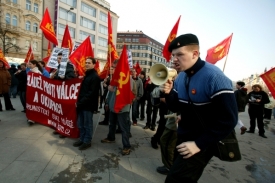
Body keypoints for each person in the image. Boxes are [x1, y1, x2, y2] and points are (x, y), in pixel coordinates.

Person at [161, 34, 238, 183]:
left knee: (175, 180)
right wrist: (169, 92)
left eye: (180, 55)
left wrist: (198, 145)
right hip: (183, 136)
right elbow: (175, 106)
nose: (174, 59)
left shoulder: (215, 77)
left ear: (195, 54)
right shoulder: (181, 77)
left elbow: (229, 119)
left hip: (202, 141)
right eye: (173, 55)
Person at [101, 60, 134, 156]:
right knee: (112, 124)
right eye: (112, 67)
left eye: (114, 67)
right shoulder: (112, 78)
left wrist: (114, 88)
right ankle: (111, 137)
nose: (112, 69)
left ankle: (126, 146)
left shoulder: (128, 78)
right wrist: (107, 102)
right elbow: (110, 93)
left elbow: (128, 93)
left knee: (124, 128)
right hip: (112, 105)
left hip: (122, 108)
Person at [73, 57, 100, 150]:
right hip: (82, 104)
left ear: (94, 64)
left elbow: (91, 93)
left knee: (87, 124)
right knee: (81, 123)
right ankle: (82, 138)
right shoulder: (87, 75)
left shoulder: (95, 77)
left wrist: (80, 102)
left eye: (89, 63)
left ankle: (87, 141)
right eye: (86, 63)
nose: (87, 64)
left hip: (88, 105)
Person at [51, 52, 76, 137]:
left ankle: (65, 130)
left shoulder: (69, 67)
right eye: (58, 58)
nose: (59, 60)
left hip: (65, 94)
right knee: (59, 112)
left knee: (65, 113)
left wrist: (64, 78)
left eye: (61, 58)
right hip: (58, 93)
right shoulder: (58, 68)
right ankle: (59, 128)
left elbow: (72, 79)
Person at [27, 60, 43, 125]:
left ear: (34, 65)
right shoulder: (30, 72)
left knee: (35, 104)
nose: (29, 65)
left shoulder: (38, 72)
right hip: (31, 91)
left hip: (36, 92)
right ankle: (31, 117)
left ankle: (33, 118)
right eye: (29, 64)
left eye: (30, 64)